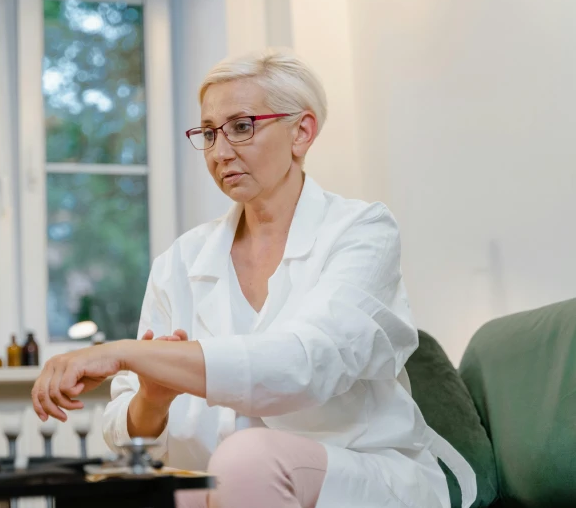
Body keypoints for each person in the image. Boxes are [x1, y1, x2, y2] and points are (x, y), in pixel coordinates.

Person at [31, 49, 476, 508]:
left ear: (301, 132)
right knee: (117, 491)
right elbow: (129, 437)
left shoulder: (361, 231)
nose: (221, 152)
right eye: (208, 133)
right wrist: (155, 396)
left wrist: (123, 353)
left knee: (244, 460)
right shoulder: (180, 261)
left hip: (355, 475)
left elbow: (304, 364)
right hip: (222, 487)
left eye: (242, 127)